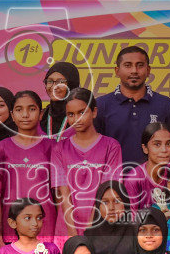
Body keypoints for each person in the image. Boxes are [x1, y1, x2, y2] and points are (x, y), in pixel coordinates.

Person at [51, 87, 122, 237]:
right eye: (71, 114)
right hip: (67, 227)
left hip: (99, 226)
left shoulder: (111, 146)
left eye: (82, 112)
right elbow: (63, 194)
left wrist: (90, 229)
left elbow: (105, 192)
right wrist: (72, 232)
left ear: (94, 112)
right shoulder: (59, 149)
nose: (76, 119)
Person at [95, 45, 170, 164]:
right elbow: (92, 149)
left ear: (148, 70)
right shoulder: (101, 105)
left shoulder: (165, 104)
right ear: (117, 71)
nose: (134, 70)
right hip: (114, 179)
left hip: (156, 179)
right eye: (128, 65)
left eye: (140, 65)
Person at [0, 91, 59, 238]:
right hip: (12, 230)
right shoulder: (1, 148)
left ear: (41, 114)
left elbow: (60, 194)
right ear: (12, 115)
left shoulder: (53, 147)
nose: (25, 114)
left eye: (32, 109)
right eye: (19, 110)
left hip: (45, 229)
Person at [42, 62, 80, 140]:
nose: (54, 87)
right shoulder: (41, 116)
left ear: (71, 84)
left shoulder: (82, 117)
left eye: (60, 82)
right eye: (49, 81)